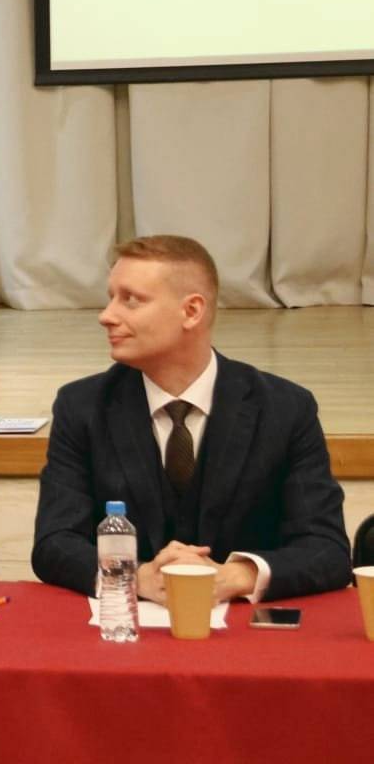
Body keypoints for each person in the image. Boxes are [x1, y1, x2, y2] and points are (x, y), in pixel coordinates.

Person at [32, 235, 350, 603]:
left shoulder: (284, 408)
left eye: (131, 300)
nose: (107, 316)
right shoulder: (82, 407)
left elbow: (326, 548)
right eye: (111, 297)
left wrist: (235, 576)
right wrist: (136, 576)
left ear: (192, 311)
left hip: (243, 630)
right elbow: (54, 544)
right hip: (126, 628)